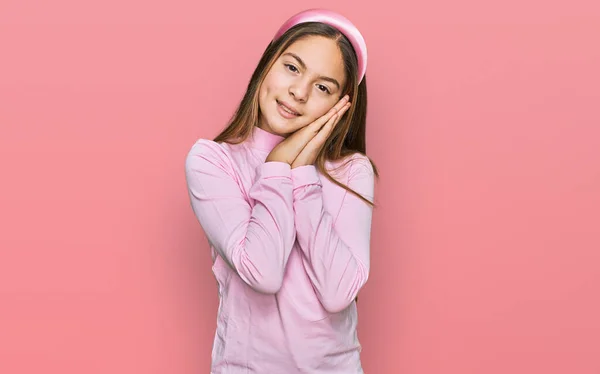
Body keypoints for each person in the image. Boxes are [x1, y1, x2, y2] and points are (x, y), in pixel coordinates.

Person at [185, 8, 378, 373]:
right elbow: (264, 272)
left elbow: (339, 294)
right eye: (292, 67)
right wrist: (278, 165)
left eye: (323, 87)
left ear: (342, 105)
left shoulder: (352, 171)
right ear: (267, 64)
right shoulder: (212, 161)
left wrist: (302, 173)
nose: (299, 92)